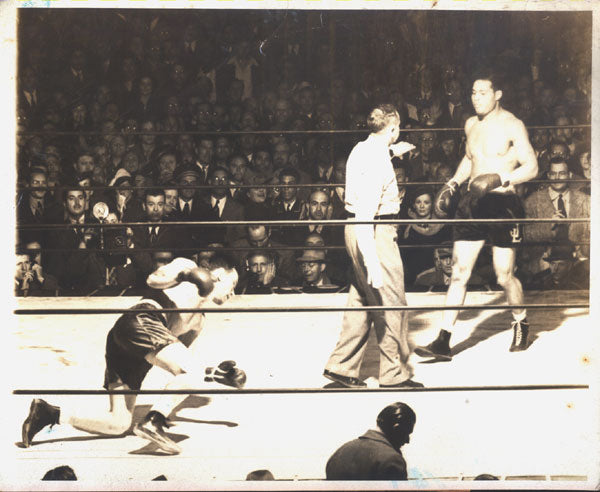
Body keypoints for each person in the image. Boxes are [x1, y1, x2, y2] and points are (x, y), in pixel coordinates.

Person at [21, 256, 244, 455]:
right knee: (188, 373)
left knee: (118, 423)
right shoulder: (188, 266)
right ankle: (154, 422)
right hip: (143, 318)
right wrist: (186, 274)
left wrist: (216, 375)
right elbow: (152, 280)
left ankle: (50, 414)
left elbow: (182, 366)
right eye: (232, 285)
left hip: (132, 345)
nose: (232, 294)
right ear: (219, 275)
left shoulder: (199, 321)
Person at [415, 70, 538, 359]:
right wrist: (453, 182)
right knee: (458, 272)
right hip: (472, 204)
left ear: (497, 95)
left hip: (502, 205)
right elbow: (470, 160)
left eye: (482, 92)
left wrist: (501, 178)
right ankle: (443, 340)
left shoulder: (512, 125)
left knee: (504, 276)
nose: (476, 98)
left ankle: (521, 321)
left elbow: (531, 167)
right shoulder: (470, 124)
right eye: (472, 92)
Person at [323, 104, 421, 389]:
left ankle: (341, 367)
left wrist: (394, 150)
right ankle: (393, 375)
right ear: (392, 128)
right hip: (373, 231)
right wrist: (374, 263)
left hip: (355, 229)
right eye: (398, 129)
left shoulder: (361, 149)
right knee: (392, 302)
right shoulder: (378, 162)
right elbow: (368, 212)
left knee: (362, 299)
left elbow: (377, 157)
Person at [326, 402, 416, 481]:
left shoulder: (341, 452)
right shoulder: (392, 460)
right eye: (406, 433)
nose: (407, 441)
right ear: (397, 428)